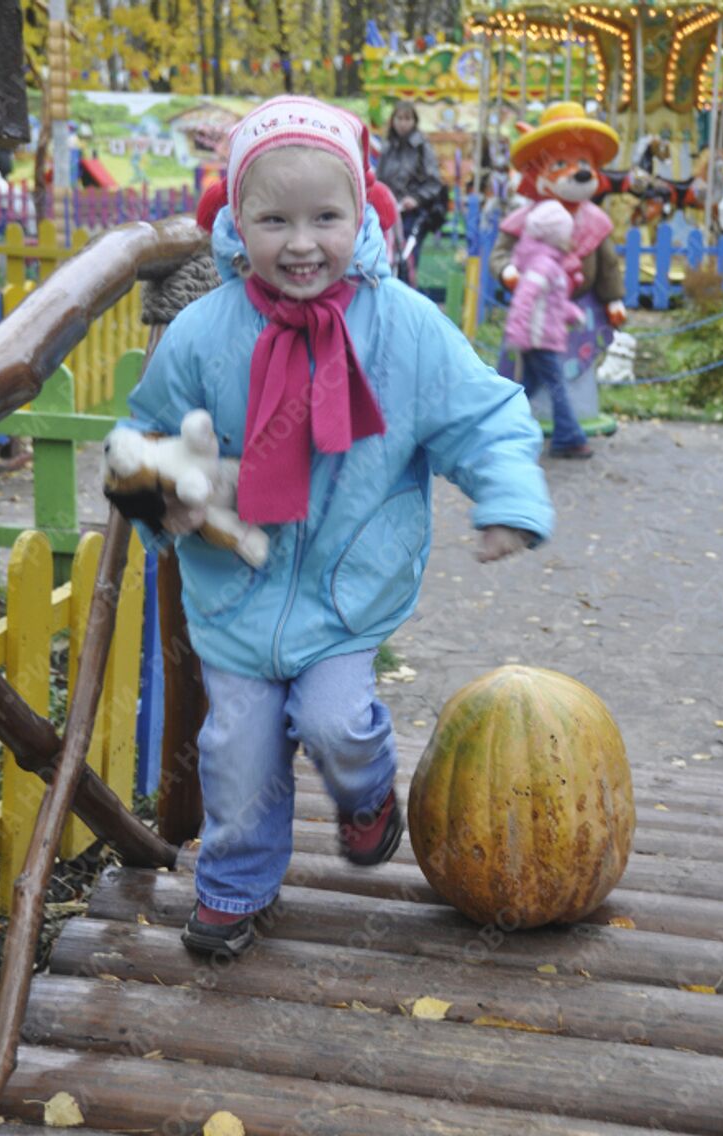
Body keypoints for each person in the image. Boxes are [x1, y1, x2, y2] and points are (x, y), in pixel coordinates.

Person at [120, 95, 554, 958]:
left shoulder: (404, 327)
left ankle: (365, 796)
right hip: (235, 595)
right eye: (273, 218)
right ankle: (235, 887)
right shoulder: (207, 333)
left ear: (364, 214)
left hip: (347, 590)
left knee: (336, 722)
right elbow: (148, 437)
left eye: (326, 215)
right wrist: (156, 496)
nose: (303, 241)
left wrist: (508, 498)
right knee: (236, 754)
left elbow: (482, 415)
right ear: (236, 222)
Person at [503, 199, 591, 459]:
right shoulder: (544, 264)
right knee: (556, 386)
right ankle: (568, 436)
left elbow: (552, 302)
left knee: (526, 387)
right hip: (538, 338)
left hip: (541, 336)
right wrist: (517, 333)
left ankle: (500, 426)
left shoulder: (549, 262)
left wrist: (571, 313)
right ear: (555, 236)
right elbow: (524, 299)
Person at [376, 100, 444, 264]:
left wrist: (416, 199)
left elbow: (434, 181)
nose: (403, 123)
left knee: (407, 258)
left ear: (414, 121)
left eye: (407, 119)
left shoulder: (422, 147)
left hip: (413, 214)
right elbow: (380, 179)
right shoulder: (388, 147)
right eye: (399, 118)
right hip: (389, 211)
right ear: (393, 121)